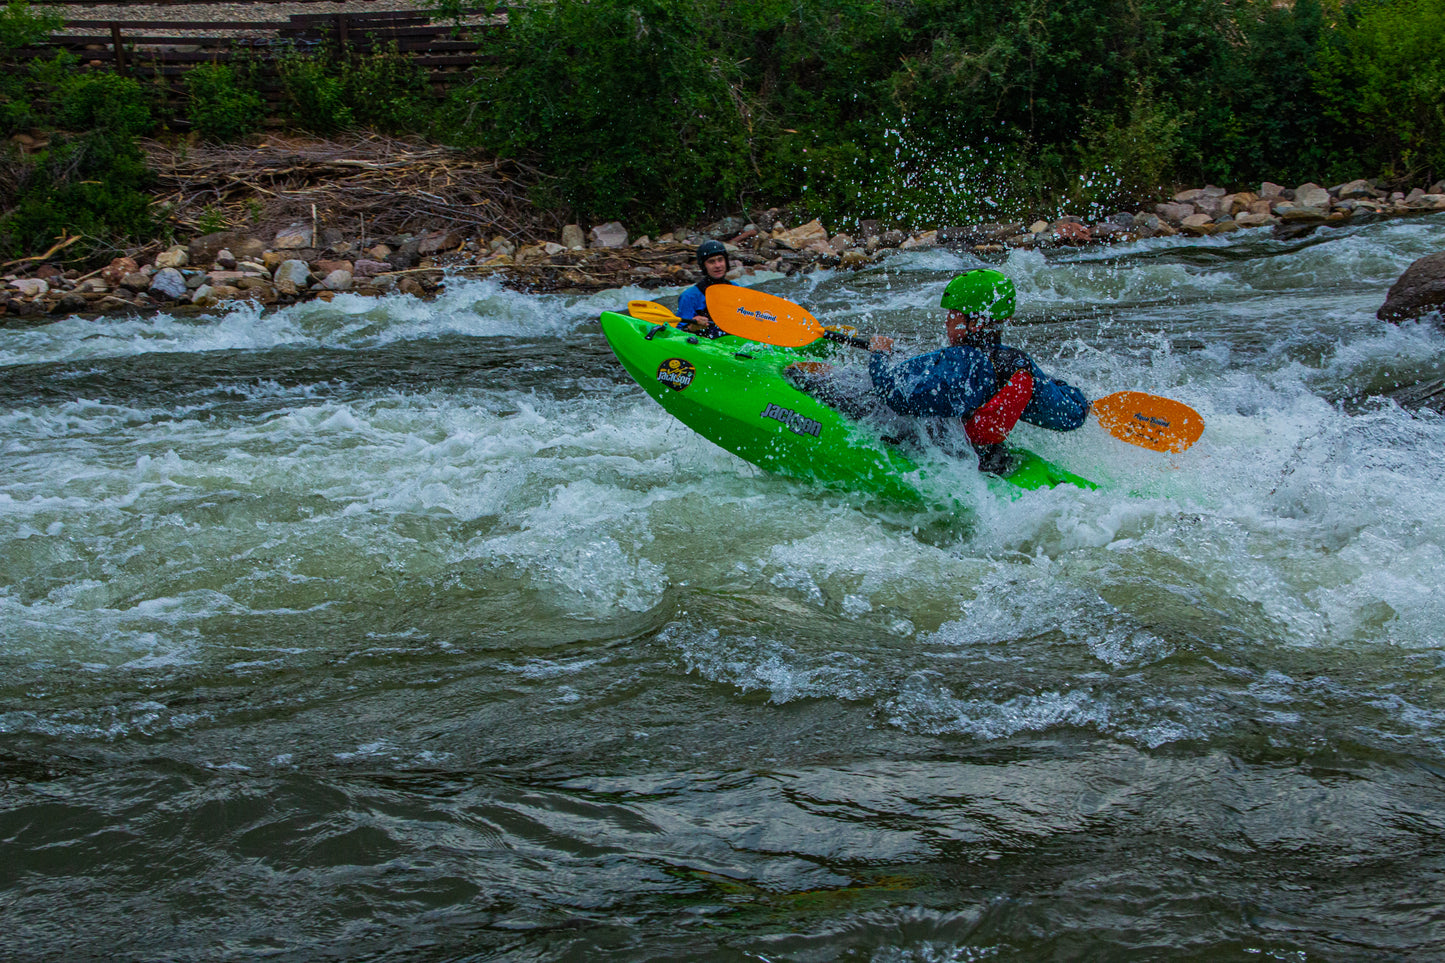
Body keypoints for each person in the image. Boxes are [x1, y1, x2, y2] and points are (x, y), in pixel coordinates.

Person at [866, 269, 1090, 474]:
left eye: (954, 314)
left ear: (976, 323)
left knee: (849, 387)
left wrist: (879, 354)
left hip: (942, 454)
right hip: (989, 458)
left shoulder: (959, 364)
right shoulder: (1016, 365)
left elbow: (891, 394)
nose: (947, 321)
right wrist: (1067, 390)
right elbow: (1071, 416)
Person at [676, 239, 732, 338]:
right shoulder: (689, 296)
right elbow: (678, 333)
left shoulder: (736, 289)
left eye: (720, 260)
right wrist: (692, 327)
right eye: (711, 262)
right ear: (704, 266)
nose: (717, 265)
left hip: (731, 342)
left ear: (726, 262)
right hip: (704, 345)